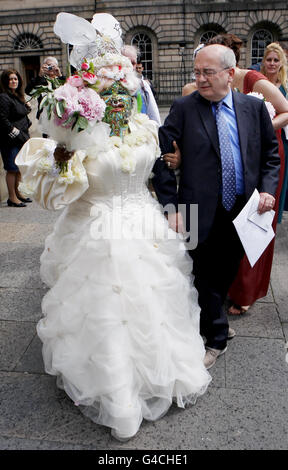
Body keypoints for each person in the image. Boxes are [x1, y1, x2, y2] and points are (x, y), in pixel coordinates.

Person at [15, 34, 211, 441]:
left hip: (142, 219)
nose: (118, 83)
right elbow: (57, 182)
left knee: (156, 301)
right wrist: (61, 164)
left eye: (120, 75)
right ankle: (114, 390)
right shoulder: (70, 125)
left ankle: (164, 373)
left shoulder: (141, 123)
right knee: (104, 309)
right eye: (106, 77)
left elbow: (159, 171)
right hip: (95, 228)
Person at [152, 44, 280, 369]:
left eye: (207, 72)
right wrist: (171, 207)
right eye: (197, 72)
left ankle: (213, 320)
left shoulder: (252, 108)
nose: (201, 79)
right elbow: (162, 161)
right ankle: (216, 338)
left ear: (229, 73)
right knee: (203, 275)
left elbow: (269, 156)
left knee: (225, 271)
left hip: (242, 210)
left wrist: (266, 190)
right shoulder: (183, 108)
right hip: (195, 209)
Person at [206, 34, 288, 315]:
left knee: (256, 221)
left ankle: (246, 292)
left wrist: (258, 128)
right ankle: (232, 283)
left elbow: (286, 110)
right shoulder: (215, 84)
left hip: (264, 152)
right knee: (234, 219)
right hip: (237, 156)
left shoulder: (253, 79)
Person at [260, 42, 288, 223]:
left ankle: (274, 218)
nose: (271, 63)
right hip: (259, 141)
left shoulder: (285, 86)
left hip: (281, 139)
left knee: (279, 179)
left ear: (281, 63)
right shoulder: (258, 83)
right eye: (268, 59)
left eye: (275, 60)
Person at [0, 69, 32, 207]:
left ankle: (18, 193)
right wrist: (13, 131)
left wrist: (27, 108)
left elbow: (18, 114)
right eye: (11, 79)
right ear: (5, 81)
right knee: (12, 168)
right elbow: (1, 117)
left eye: (16, 79)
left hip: (21, 137)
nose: (14, 81)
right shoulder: (3, 96)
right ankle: (12, 197)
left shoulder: (16, 96)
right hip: (9, 139)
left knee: (18, 166)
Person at [121, 45, 161, 125]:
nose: (131, 67)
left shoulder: (143, 85)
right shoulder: (109, 86)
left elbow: (154, 115)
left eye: (133, 63)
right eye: (127, 61)